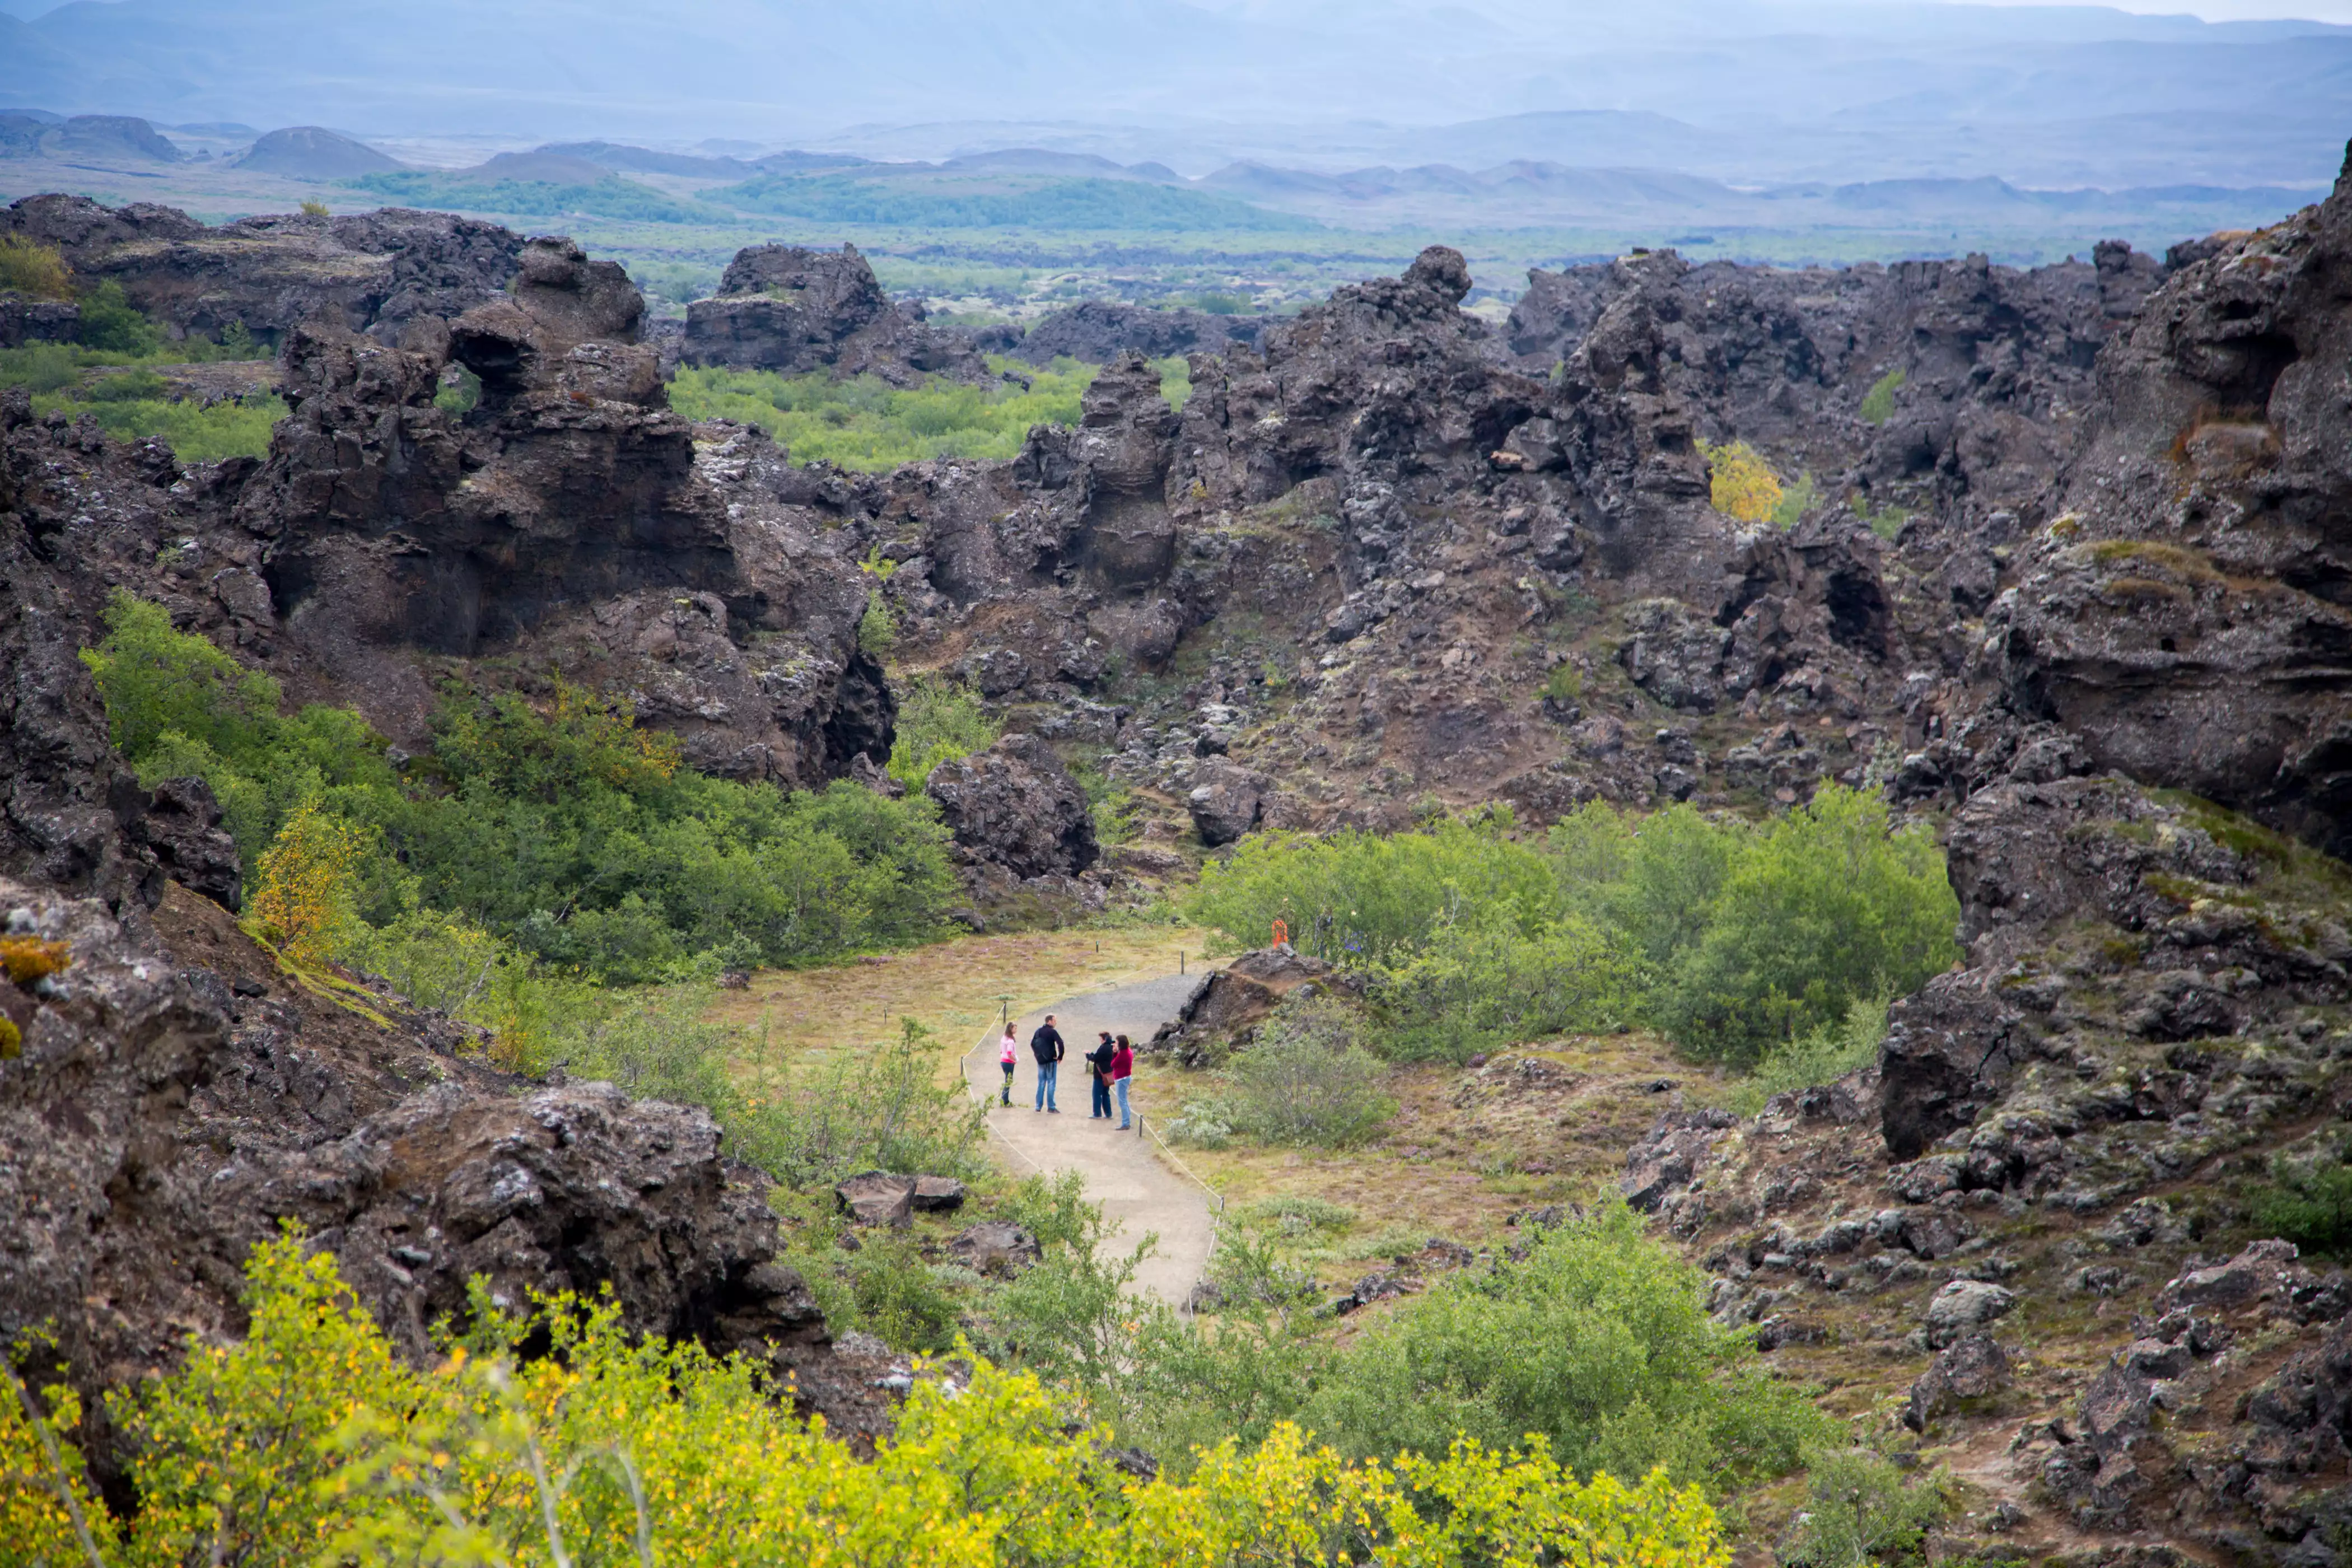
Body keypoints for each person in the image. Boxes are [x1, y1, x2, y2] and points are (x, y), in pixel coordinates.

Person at [1029, 1014, 1065, 1113]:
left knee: (1041, 1083)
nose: (1055, 1022)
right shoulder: (1052, 1032)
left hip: (1041, 1061)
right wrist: (1060, 1056)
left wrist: (1038, 1055)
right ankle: (1051, 1106)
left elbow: (1032, 1044)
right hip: (1050, 1060)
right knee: (1051, 1083)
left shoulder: (1038, 1031)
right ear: (1049, 1021)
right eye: (1054, 1020)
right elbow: (1060, 1044)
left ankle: (1038, 1106)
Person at [1087, 1030, 1116, 1119]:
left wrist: (1088, 1055)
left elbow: (1095, 1058)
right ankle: (1108, 1113)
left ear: (1104, 1039)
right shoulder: (1110, 1048)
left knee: (1096, 1094)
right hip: (1109, 1074)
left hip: (1100, 1075)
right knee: (1106, 1094)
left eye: (1101, 1039)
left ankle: (1097, 1113)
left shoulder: (1103, 1048)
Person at [1110, 1033, 1135, 1131]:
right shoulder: (1129, 1051)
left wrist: (1115, 1052)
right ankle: (1127, 1121)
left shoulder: (1123, 1054)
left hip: (1121, 1079)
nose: (1115, 1044)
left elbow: (1113, 1064)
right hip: (1126, 1077)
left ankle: (1126, 1123)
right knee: (1125, 1100)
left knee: (1122, 1102)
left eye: (1117, 1043)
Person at [997, 1024, 1018, 1106]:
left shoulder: (1003, 1038)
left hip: (1003, 1061)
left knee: (1007, 1080)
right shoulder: (1010, 1041)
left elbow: (1001, 1051)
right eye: (1015, 1029)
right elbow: (1009, 1052)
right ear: (1011, 1029)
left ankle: (1004, 1099)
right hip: (1008, 1062)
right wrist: (1015, 1059)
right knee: (1008, 1081)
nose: (1016, 1030)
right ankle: (1005, 1100)